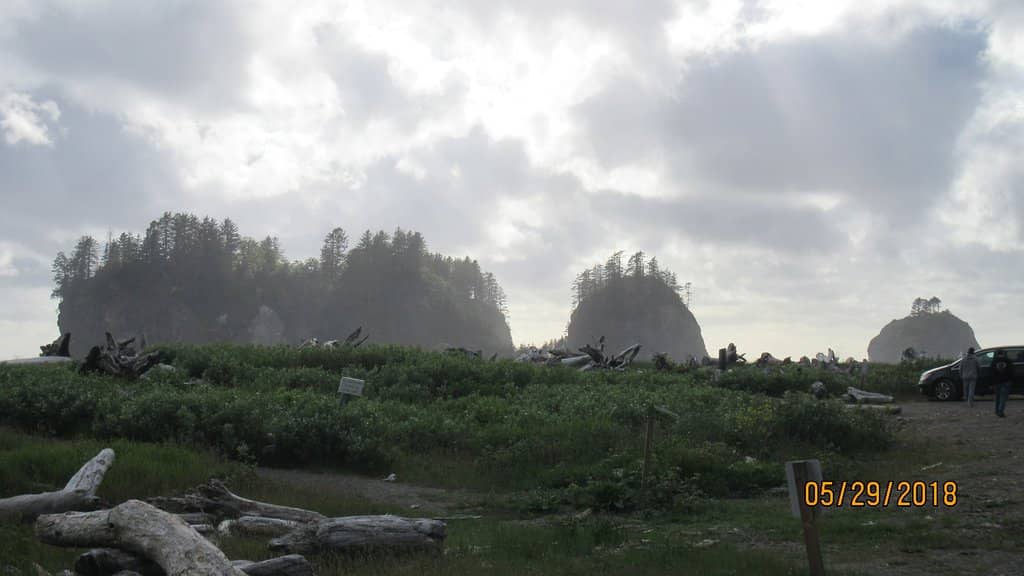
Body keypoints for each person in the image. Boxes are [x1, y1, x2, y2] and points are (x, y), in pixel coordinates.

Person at [992, 349, 1015, 418]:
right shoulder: (1008, 361)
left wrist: (991, 383)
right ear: (1003, 354)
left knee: (997, 397)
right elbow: (1012, 371)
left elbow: (991, 373)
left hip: (996, 382)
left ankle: (996, 410)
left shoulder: (994, 361)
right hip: (1006, 382)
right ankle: (1001, 411)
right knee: (1003, 398)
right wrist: (1011, 380)